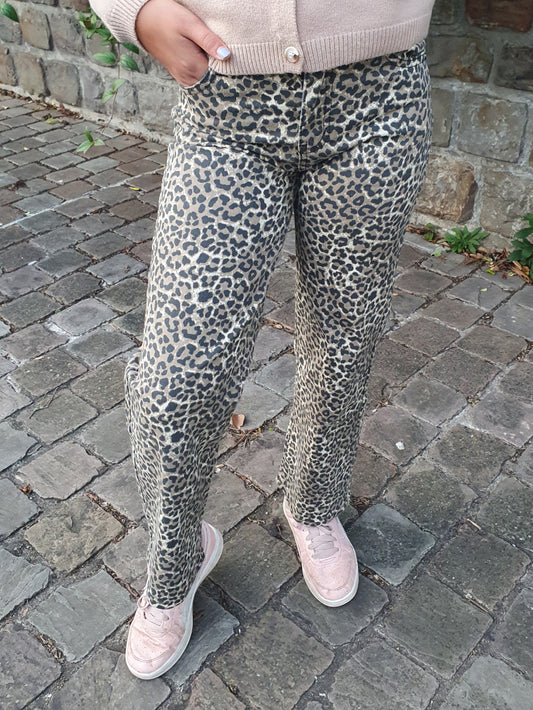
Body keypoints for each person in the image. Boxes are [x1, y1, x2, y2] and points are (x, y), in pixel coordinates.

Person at [90, 0, 435, 681]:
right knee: (178, 374)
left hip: (379, 95)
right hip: (224, 104)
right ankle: (176, 557)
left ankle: (313, 503)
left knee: (343, 336)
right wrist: (132, 8)